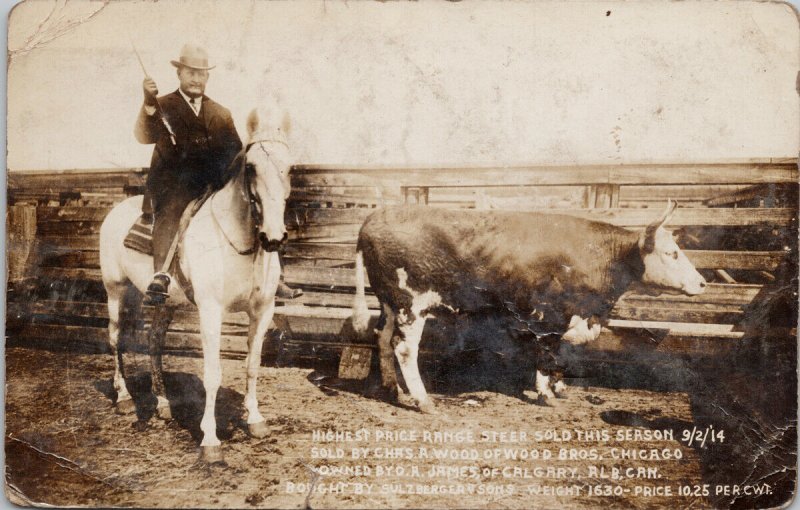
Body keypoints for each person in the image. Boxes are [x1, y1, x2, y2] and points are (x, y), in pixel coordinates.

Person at [136, 43, 300, 304]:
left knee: (257, 210)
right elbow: (143, 136)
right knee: (172, 210)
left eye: (201, 74)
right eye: (190, 72)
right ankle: (162, 275)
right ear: (179, 74)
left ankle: (273, 277)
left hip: (212, 184)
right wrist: (148, 102)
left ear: (208, 78)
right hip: (175, 186)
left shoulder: (221, 113)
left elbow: (235, 152)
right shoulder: (163, 105)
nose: (196, 79)